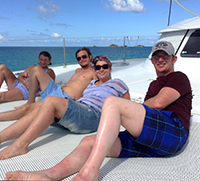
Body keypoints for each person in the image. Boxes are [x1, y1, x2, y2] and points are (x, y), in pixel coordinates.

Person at [4, 41, 192, 181]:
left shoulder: (178, 77)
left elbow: (158, 103)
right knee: (88, 142)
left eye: (165, 56)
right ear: (151, 60)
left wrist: (119, 112)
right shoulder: (152, 85)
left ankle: (89, 173)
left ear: (174, 59)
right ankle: (49, 175)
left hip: (173, 132)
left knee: (112, 103)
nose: (160, 59)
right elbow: (145, 112)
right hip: (153, 141)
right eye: (156, 56)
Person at [0, 55, 130, 160]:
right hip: (81, 109)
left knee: (50, 101)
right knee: (39, 109)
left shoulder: (117, 83)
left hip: (93, 115)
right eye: (98, 67)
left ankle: (20, 145)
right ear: (95, 69)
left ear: (110, 67)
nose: (101, 69)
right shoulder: (91, 83)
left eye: (104, 66)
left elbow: (127, 106)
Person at [0, 47, 97, 121]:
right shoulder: (77, 70)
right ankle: (30, 101)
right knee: (36, 69)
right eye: (79, 58)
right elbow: (22, 76)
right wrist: (25, 82)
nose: (81, 59)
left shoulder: (94, 72)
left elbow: (97, 89)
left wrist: (79, 101)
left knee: (26, 109)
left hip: (65, 97)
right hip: (57, 90)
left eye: (84, 56)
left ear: (90, 57)